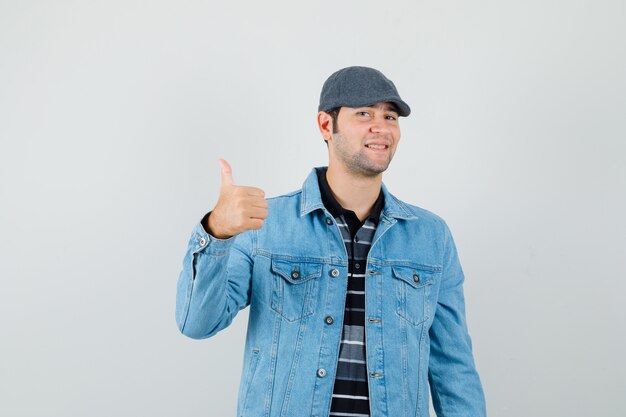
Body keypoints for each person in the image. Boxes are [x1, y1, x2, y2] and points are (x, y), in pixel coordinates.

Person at [175, 66, 486, 417]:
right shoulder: (265, 225)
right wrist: (217, 231)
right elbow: (197, 323)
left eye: (390, 116)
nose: (381, 127)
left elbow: (453, 367)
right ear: (326, 125)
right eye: (364, 113)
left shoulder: (431, 237)